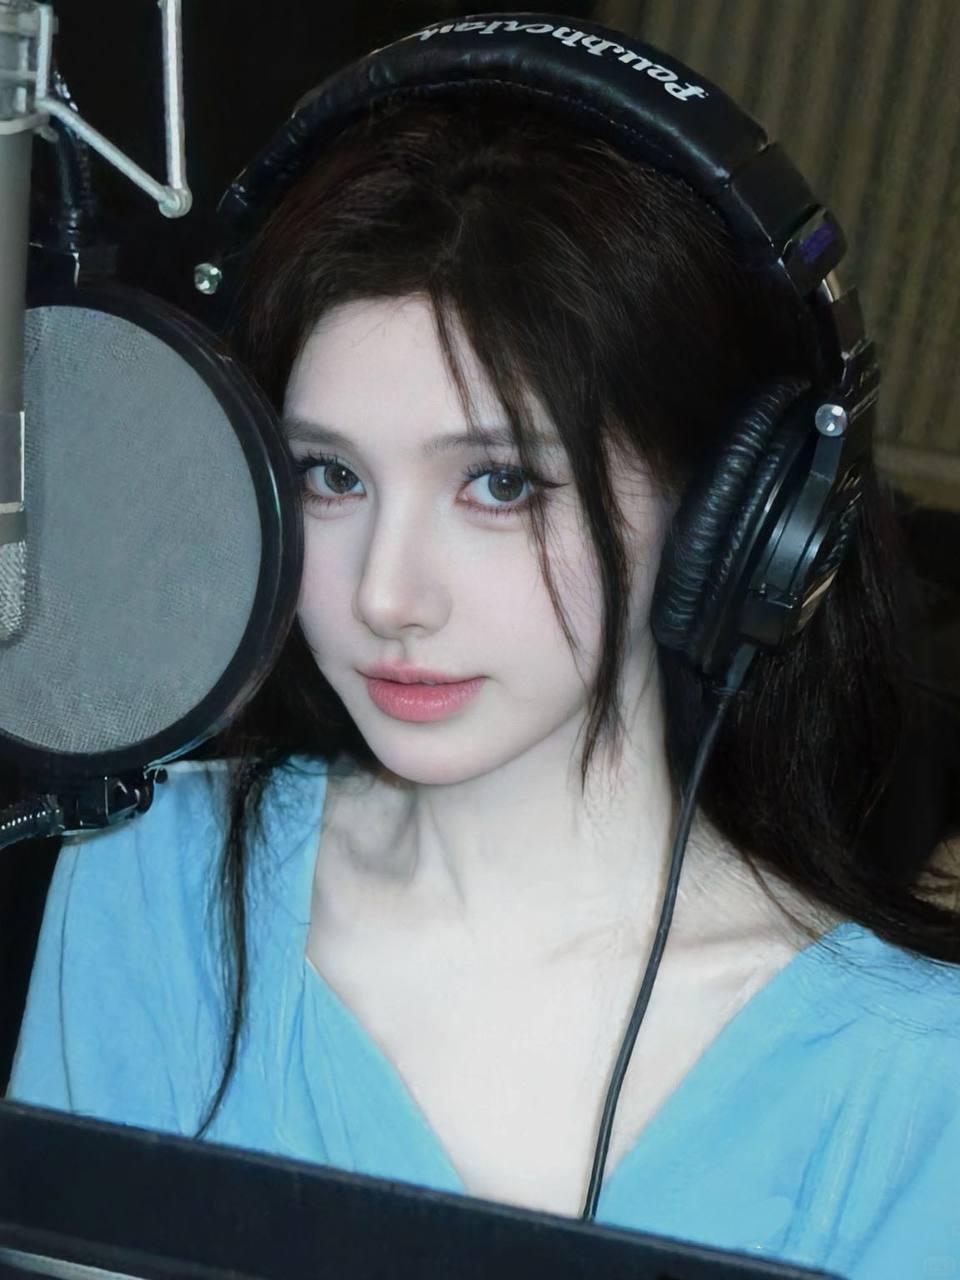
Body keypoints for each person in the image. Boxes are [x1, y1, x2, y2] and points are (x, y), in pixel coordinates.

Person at [8, 21, 960, 1280]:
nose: (387, 595)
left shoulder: (913, 1079)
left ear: (734, 518)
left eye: (500, 484)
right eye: (330, 474)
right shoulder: (148, 879)